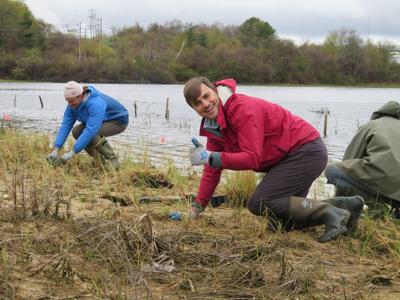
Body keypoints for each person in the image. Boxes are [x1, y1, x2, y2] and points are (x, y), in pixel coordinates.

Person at [184, 77, 364, 243]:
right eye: (198, 103)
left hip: (306, 151)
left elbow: (251, 158)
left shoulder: (241, 108)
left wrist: (211, 157)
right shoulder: (215, 127)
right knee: (282, 225)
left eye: (206, 96)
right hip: (288, 159)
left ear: (215, 90)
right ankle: (346, 206)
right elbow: (212, 170)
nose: (206, 104)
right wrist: (196, 209)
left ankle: (330, 213)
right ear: (194, 109)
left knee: (259, 202)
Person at [325, 101, 400, 219]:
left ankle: (377, 206)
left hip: (379, 181)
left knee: (333, 171)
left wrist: (338, 201)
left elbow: (349, 159)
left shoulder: (370, 126)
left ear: (379, 112)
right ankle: (395, 213)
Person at [46, 81, 129, 169]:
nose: (69, 104)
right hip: (102, 120)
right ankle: (99, 161)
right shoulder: (72, 105)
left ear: (80, 96)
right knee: (77, 131)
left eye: (71, 101)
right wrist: (56, 149)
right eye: (67, 101)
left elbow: (91, 129)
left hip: (118, 121)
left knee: (93, 134)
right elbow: (66, 125)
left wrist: (73, 152)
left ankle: (113, 160)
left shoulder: (96, 103)